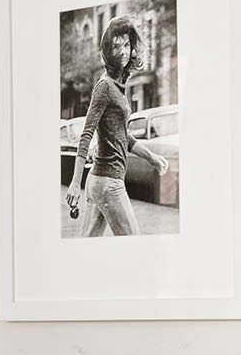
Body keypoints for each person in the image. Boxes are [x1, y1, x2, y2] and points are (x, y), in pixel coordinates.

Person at [67, 18, 167, 236]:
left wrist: (152, 157)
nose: (122, 51)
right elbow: (86, 134)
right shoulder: (104, 87)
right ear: (107, 51)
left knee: (87, 249)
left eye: (126, 45)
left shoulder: (119, 86)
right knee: (134, 243)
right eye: (115, 46)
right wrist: (75, 183)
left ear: (132, 48)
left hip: (100, 182)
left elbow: (123, 136)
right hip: (109, 183)